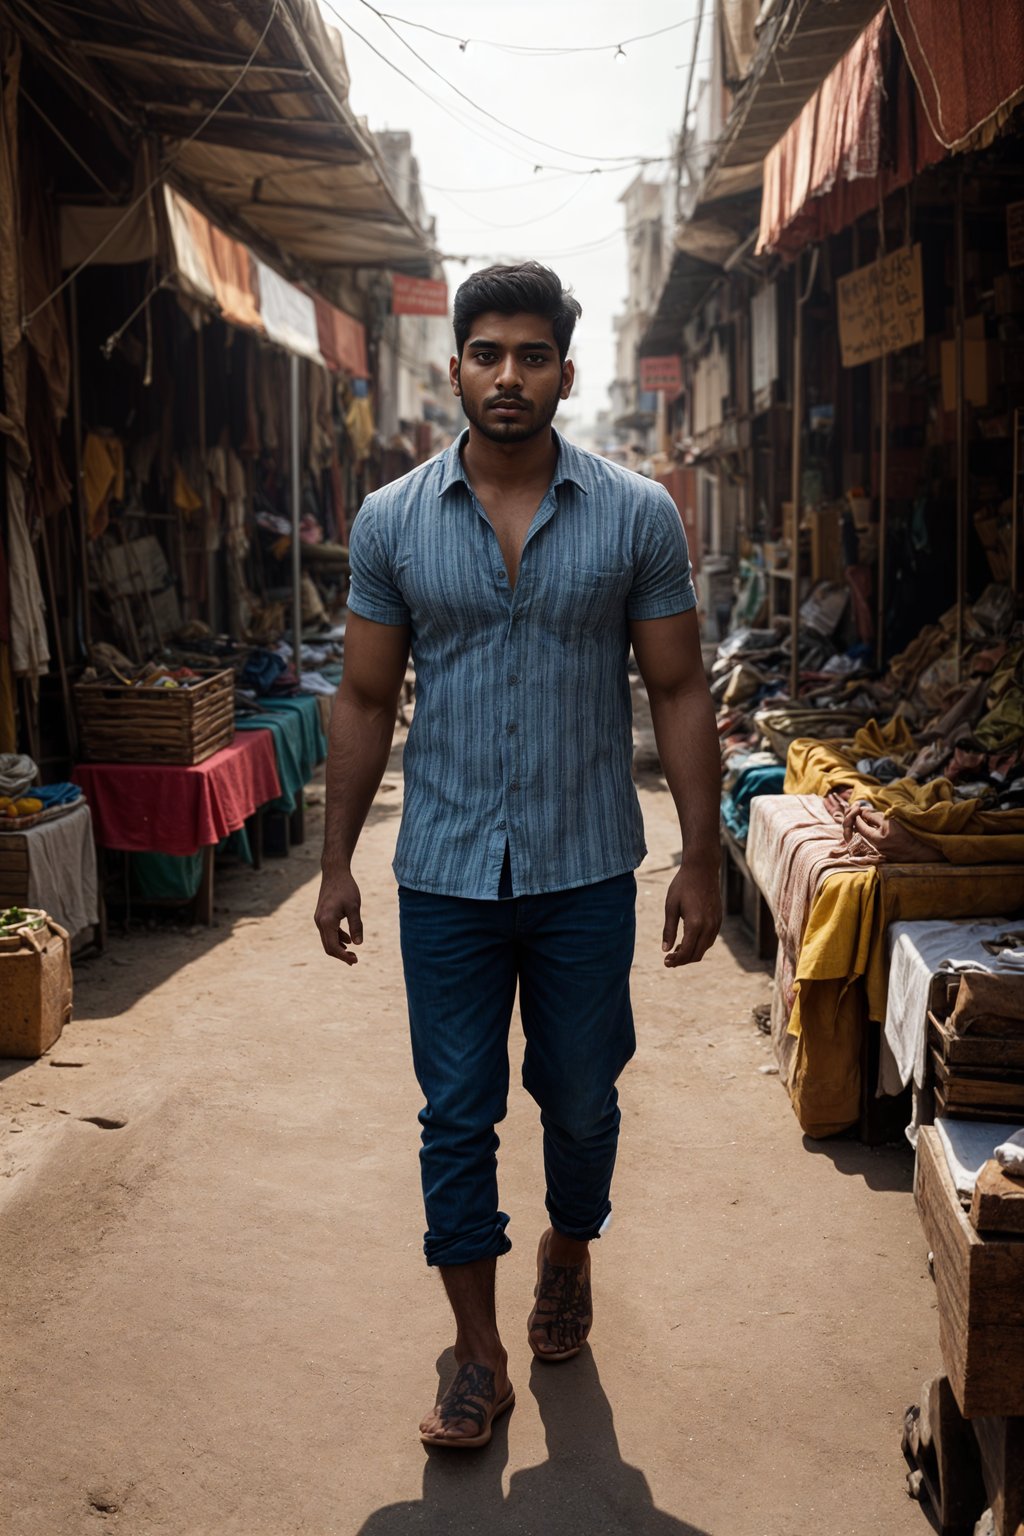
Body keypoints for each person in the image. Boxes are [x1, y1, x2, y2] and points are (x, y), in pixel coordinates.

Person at [315, 261, 722, 1450]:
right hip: (442, 869)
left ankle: (567, 1245)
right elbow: (360, 692)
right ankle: (476, 1354)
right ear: (455, 368)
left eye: (530, 354)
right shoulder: (392, 519)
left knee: (583, 1105)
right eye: (486, 353)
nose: (507, 374)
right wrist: (335, 860)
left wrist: (699, 859)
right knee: (454, 1113)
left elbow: (681, 685)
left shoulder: (636, 513)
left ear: (564, 371)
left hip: (585, 862)